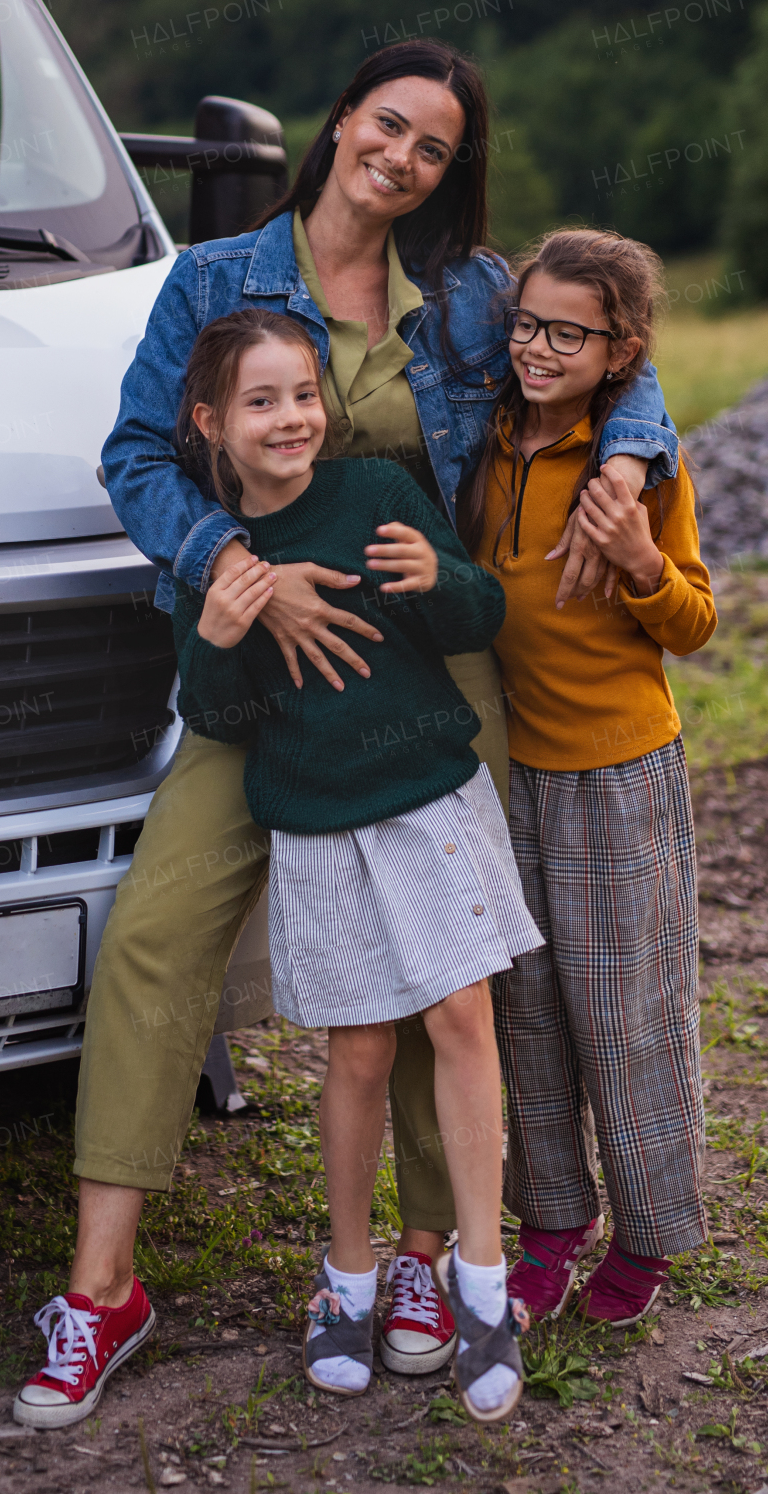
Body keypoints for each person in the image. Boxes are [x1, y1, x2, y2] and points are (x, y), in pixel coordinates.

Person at [13, 41, 678, 1429]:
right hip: (259, 679)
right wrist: (223, 564)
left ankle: (429, 1259)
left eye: (436, 147)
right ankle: (100, 1289)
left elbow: (618, 360)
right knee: (154, 935)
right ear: (338, 125)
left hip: (424, 682)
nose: (405, 160)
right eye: (390, 125)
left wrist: (625, 456)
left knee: (446, 973)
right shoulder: (215, 283)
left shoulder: (474, 296)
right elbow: (136, 454)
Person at [171, 306, 542, 1419]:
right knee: (360, 1052)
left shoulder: (376, 498)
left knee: (462, 1020)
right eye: (260, 401)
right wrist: (220, 636)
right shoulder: (224, 563)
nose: (290, 418)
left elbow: (477, 616)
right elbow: (220, 713)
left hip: (426, 799)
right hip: (316, 822)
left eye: (301, 395)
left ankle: (477, 1282)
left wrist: (439, 576)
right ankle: (347, 1279)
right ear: (209, 424)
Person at [457, 228, 715, 1331]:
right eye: (526, 324)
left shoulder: (641, 463)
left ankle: (649, 1232)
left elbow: (694, 623)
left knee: (624, 1015)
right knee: (528, 1010)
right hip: (510, 775)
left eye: (567, 332)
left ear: (620, 349)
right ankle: (549, 1224)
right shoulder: (487, 434)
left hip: (618, 774)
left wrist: (641, 566)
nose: (537, 347)